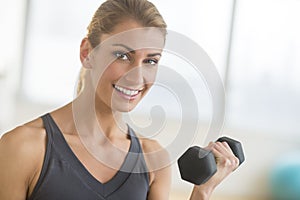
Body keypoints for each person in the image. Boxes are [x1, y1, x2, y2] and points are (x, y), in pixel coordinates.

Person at [0, 0, 239, 199]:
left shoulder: (152, 159)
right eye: (122, 55)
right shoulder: (24, 147)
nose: (137, 75)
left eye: (151, 61)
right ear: (87, 53)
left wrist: (202, 191)